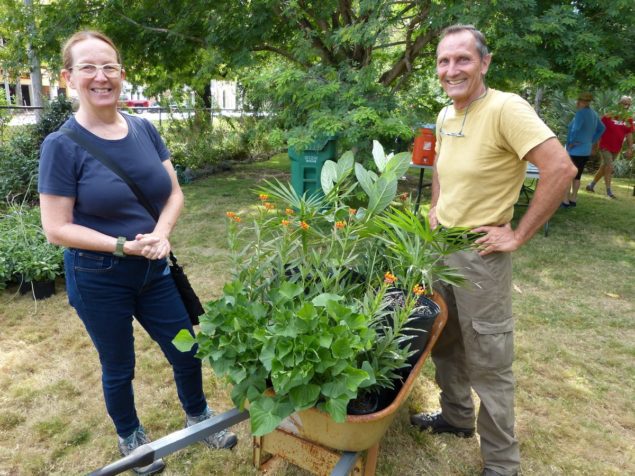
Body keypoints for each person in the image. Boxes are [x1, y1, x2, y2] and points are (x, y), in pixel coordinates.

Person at [38, 31, 237, 475]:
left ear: (122, 75)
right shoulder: (61, 145)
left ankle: (199, 417)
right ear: (69, 77)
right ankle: (133, 441)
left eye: (109, 66)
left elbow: (175, 193)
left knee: (187, 349)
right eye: (88, 67)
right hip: (98, 274)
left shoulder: (145, 129)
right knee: (119, 365)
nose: (100, 76)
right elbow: (56, 228)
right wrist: (122, 244)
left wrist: (162, 234)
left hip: (154, 267)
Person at [409, 25, 576, 476]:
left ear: (484, 63)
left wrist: (517, 234)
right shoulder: (446, 116)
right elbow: (443, 165)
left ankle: (502, 464)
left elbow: (561, 168)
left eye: (462, 59)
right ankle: (457, 417)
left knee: (489, 359)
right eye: (443, 61)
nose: (451, 69)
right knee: (443, 340)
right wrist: (435, 206)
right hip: (441, 246)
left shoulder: (506, 108)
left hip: (481, 255)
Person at [585, 95, 634, 198]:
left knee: (604, 167)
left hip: (616, 147)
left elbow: (629, 134)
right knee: (609, 166)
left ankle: (591, 185)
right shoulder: (608, 116)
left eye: (629, 105)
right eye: (625, 103)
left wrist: (630, 148)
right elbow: (598, 131)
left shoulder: (628, 119)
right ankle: (609, 191)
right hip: (604, 146)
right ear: (619, 104)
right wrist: (594, 145)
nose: (626, 106)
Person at [562, 92, 605, 207]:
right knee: (577, 175)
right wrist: (591, 141)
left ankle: (565, 200)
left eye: (579, 100)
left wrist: (570, 143)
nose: (577, 102)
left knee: (568, 174)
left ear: (582, 102)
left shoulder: (581, 114)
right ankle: (573, 199)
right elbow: (602, 128)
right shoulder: (594, 114)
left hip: (575, 150)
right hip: (585, 150)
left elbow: (575, 129)